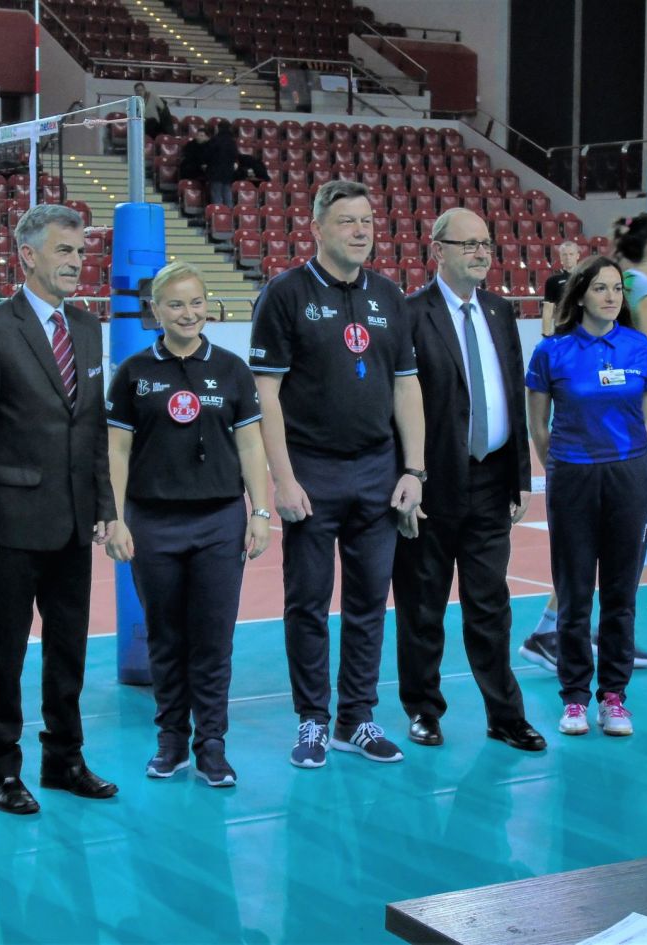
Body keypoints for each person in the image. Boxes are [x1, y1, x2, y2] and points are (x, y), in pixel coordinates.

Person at [249, 179, 424, 768]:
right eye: (347, 221)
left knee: (370, 601)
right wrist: (283, 479)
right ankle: (313, 720)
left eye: (367, 221)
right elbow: (265, 395)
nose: (360, 230)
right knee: (307, 602)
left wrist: (414, 470)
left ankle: (357, 718)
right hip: (312, 472)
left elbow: (406, 387)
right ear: (317, 229)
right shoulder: (285, 294)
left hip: (378, 471)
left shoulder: (389, 295)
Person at [0, 203, 118, 814]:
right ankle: (1, 768)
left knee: (68, 647)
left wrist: (105, 504)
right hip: (11, 523)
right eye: (64, 251)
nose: (76, 262)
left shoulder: (88, 326)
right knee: (5, 652)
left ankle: (64, 758)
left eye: (80, 252)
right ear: (27, 255)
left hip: (74, 519)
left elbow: (92, 426)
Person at [105, 262, 270, 787]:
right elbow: (116, 449)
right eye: (175, 304)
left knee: (214, 640)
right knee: (166, 637)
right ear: (155, 310)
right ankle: (171, 741)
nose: (188, 313)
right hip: (153, 523)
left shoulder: (231, 369)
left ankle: (212, 746)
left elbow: (251, 444)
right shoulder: (133, 373)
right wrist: (115, 518)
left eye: (196, 302)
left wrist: (260, 512)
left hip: (220, 522)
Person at [391, 209, 546, 753]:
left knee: (490, 606)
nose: (482, 253)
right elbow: (396, 405)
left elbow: (512, 395)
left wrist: (521, 476)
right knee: (422, 606)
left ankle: (505, 715)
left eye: (486, 244)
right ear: (438, 250)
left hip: (492, 480)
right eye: (469, 244)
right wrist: (406, 479)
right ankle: (423, 710)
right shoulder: (410, 314)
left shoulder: (501, 312)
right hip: (431, 485)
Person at [525, 256, 647, 738]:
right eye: (601, 288)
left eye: (617, 289)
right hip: (572, 479)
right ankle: (575, 699)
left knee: (621, 597)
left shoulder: (638, 347)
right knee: (575, 594)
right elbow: (538, 426)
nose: (611, 297)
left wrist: (623, 457)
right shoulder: (552, 352)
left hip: (628, 478)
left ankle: (614, 698)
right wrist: (564, 464)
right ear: (580, 294)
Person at [541, 241, 581, 337]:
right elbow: (548, 310)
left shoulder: (586, 278)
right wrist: (545, 335)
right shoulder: (553, 281)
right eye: (564, 254)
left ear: (577, 256)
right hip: (562, 329)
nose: (568, 257)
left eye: (571, 254)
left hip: (584, 330)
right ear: (560, 257)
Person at [204, 120, 237, 208]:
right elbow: (235, 155)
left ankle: (218, 213)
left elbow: (207, 155)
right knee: (227, 193)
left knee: (216, 194)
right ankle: (229, 213)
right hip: (228, 171)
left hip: (215, 171)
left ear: (218, 128)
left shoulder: (215, 140)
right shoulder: (232, 141)